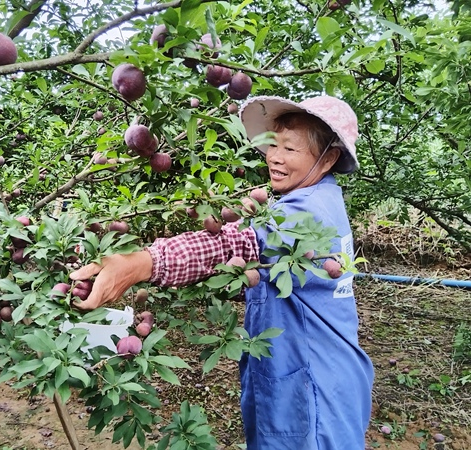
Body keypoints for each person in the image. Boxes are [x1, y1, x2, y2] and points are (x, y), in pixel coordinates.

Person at [70, 95, 375, 450]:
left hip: (314, 386)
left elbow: (235, 246)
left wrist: (139, 264)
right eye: (272, 145)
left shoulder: (307, 211)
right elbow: (260, 269)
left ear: (329, 158)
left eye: (290, 149)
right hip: (313, 371)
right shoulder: (316, 196)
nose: (274, 157)